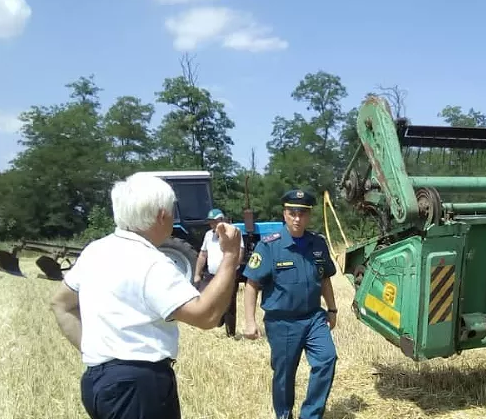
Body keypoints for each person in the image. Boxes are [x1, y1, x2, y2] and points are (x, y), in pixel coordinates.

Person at [49, 173, 243, 419]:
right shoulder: (151, 262)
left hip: (97, 383)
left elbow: (60, 304)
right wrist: (229, 257)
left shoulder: (94, 251)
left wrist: (98, 355)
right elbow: (206, 316)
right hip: (138, 389)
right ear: (162, 215)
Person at [242, 189, 339, 419]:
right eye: (292, 213)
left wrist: (332, 309)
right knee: (284, 374)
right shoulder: (269, 246)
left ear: (309, 215)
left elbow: (324, 278)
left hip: (314, 317)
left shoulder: (317, 243)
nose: (297, 218)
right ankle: (284, 414)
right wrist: (249, 321)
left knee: (327, 359)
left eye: (302, 213)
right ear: (284, 214)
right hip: (282, 321)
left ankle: (311, 415)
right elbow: (252, 284)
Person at [194, 207, 243, 337]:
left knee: (229, 304)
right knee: (208, 299)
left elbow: (239, 253)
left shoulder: (234, 233)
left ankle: (230, 333)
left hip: (229, 275)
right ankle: (218, 319)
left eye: (214, 222)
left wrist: (231, 270)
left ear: (222, 220)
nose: (212, 225)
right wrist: (197, 274)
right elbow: (203, 255)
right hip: (211, 275)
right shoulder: (208, 235)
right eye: (210, 222)